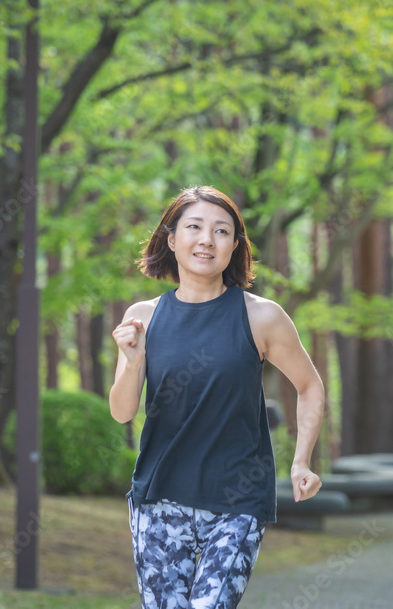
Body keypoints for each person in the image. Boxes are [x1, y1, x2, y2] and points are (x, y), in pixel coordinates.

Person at [109, 185, 325, 608]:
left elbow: (310, 385)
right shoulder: (143, 318)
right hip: (159, 497)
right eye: (194, 227)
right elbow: (122, 412)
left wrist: (302, 461)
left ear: (235, 246)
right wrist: (133, 363)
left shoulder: (261, 316)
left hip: (237, 500)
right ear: (172, 239)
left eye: (221, 231)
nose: (207, 239)